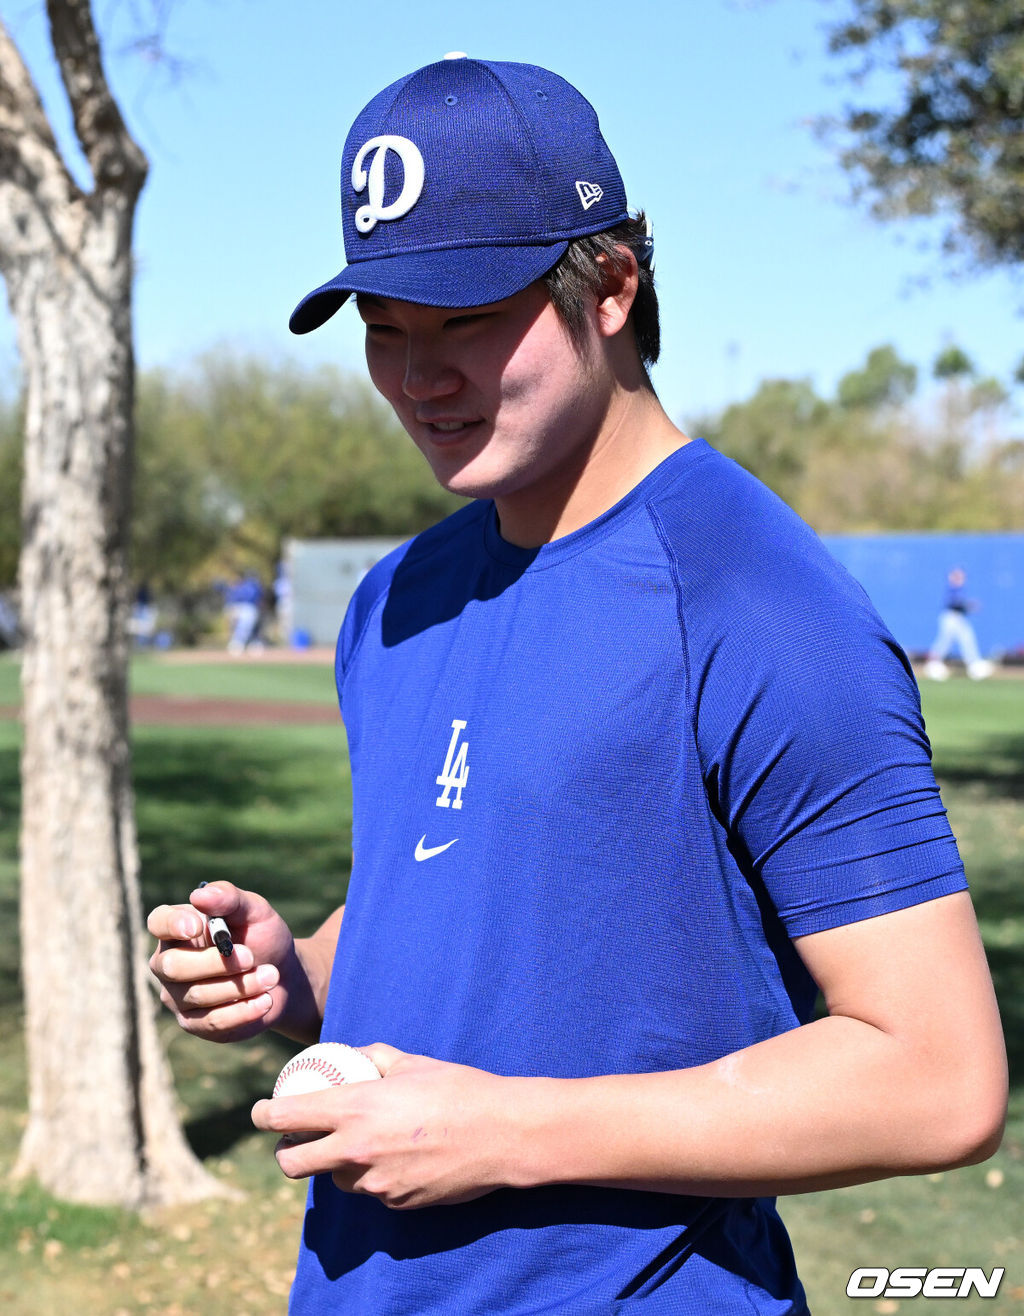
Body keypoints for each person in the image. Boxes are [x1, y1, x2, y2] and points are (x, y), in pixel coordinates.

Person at [147, 56, 1006, 1314]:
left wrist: (504, 1133)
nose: (419, 378)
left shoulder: (759, 604)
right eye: (384, 329)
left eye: (466, 319)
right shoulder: (395, 598)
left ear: (610, 285)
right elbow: (478, 920)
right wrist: (298, 972)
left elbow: (936, 1078)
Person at [924, 567, 995, 681]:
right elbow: (955, 604)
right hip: (951, 617)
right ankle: (933, 664)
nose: (961, 579)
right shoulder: (953, 589)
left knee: (965, 639)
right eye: (958, 576)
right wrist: (969, 605)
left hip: (957, 617)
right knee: (946, 641)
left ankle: (973, 664)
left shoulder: (958, 589)